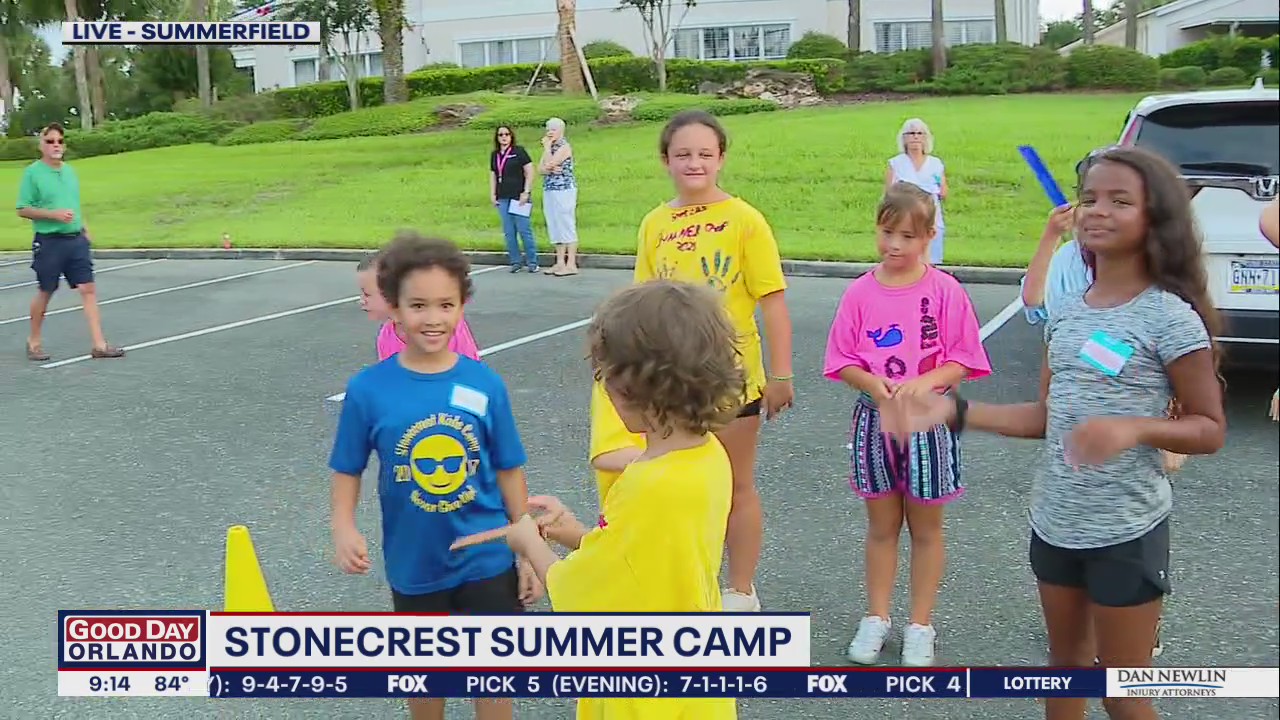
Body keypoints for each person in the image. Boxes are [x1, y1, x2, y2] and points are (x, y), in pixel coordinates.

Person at [887, 147, 1227, 720]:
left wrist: (1132, 429)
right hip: (1056, 522)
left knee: (1121, 692)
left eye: (1121, 201)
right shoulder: (1068, 310)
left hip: (1127, 529)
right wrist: (952, 413)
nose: (1098, 211)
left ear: (1155, 218)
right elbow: (1047, 417)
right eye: (1090, 197)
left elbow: (1210, 428)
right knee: (1064, 668)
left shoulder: (1170, 317)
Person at [455, 279, 743, 720]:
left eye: (605, 374)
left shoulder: (647, 484)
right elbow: (639, 559)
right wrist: (570, 531)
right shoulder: (708, 456)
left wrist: (529, 542)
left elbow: (584, 597)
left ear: (632, 387)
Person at [329, 232, 540, 720]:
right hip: (416, 564)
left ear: (463, 304)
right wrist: (343, 526)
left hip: (487, 559)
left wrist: (527, 551)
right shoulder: (369, 390)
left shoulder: (484, 383)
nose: (433, 318)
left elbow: (510, 469)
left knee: (493, 680)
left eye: (446, 304)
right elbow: (347, 467)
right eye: (418, 305)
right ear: (395, 308)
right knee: (426, 683)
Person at [823, 182, 992, 667]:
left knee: (926, 527)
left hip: (929, 425)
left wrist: (929, 382)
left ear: (929, 237)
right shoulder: (860, 291)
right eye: (886, 232)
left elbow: (963, 357)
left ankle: (921, 623)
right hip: (875, 422)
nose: (894, 245)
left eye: (907, 236)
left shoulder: (944, 290)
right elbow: (842, 359)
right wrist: (873, 385)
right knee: (881, 526)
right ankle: (876, 617)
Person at [634, 109, 796, 612]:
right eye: (683, 154)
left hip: (731, 381)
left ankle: (741, 588)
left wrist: (781, 373)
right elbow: (641, 304)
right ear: (665, 161)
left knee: (735, 484)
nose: (694, 163)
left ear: (721, 158)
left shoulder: (745, 220)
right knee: (675, 484)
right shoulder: (655, 223)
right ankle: (687, 581)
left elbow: (772, 300)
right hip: (667, 381)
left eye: (705, 154)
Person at [15, 122, 124, 361]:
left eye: (59, 141)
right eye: (50, 141)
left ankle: (99, 345)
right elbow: (22, 209)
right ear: (41, 145)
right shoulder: (33, 173)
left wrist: (84, 227)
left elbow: (73, 203)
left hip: (75, 240)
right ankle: (33, 341)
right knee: (47, 290)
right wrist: (53, 215)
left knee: (88, 288)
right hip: (49, 241)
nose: (56, 145)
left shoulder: (69, 171)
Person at [356, 251, 480, 362]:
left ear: (392, 294)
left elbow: (469, 374)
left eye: (367, 294)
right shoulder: (387, 335)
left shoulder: (442, 328)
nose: (361, 300)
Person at [886, 118, 948, 265]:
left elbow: (943, 192)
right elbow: (889, 194)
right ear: (904, 138)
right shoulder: (896, 163)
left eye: (920, 133)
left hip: (930, 217)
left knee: (930, 261)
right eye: (911, 133)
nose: (915, 137)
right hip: (904, 218)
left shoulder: (935, 164)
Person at [489, 125, 539, 274]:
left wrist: (526, 191)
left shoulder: (519, 152)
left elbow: (530, 171)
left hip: (519, 197)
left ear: (511, 136)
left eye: (506, 134)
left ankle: (532, 262)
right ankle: (516, 261)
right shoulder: (495, 154)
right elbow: (493, 174)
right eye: (500, 135)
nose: (504, 137)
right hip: (503, 196)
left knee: (524, 230)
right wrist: (493, 193)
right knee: (509, 232)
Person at [538, 117, 579, 277]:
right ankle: (560, 261)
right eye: (548, 129)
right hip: (550, 188)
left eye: (553, 129)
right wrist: (549, 166)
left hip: (564, 189)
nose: (549, 133)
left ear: (561, 131)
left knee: (566, 223)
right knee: (554, 224)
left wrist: (548, 151)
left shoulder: (564, 147)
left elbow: (549, 163)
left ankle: (571, 263)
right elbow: (541, 168)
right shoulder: (550, 147)